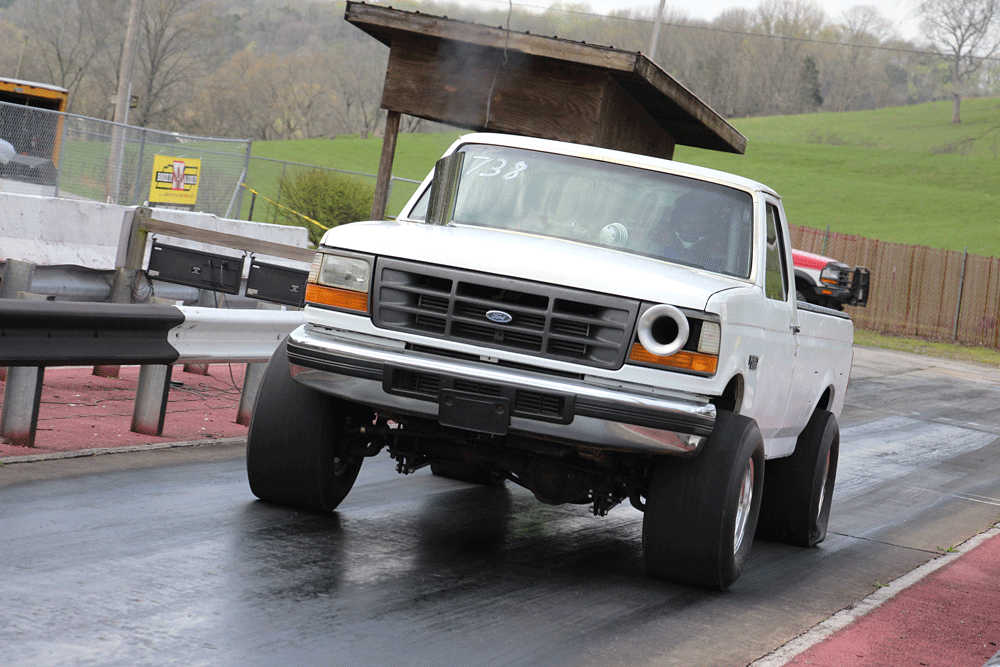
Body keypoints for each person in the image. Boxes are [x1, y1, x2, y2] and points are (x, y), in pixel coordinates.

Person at [654, 192, 729, 273]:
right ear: (677, 223)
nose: (691, 228)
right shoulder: (659, 254)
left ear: (708, 226)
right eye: (686, 222)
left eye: (698, 223)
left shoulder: (720, 265)